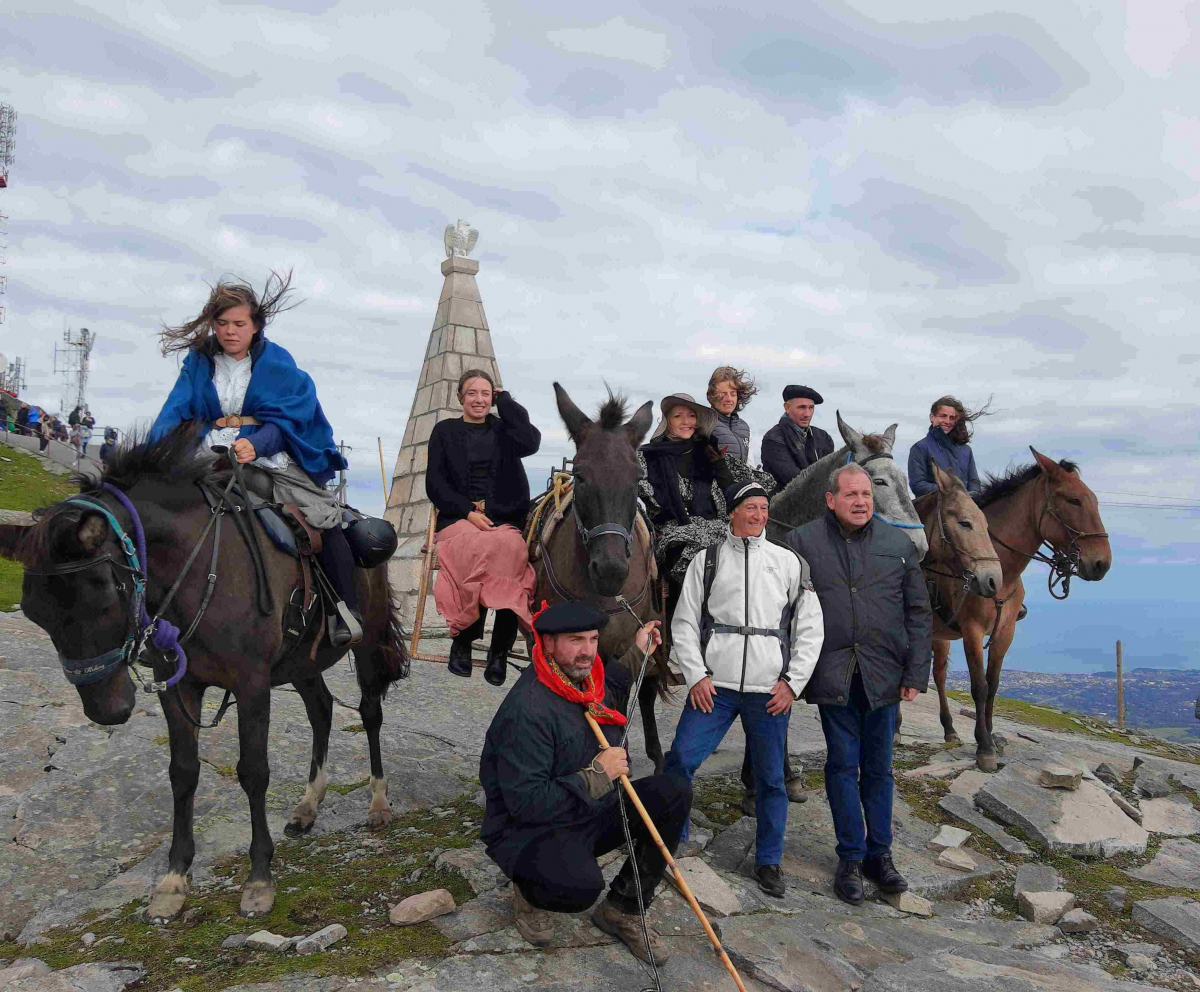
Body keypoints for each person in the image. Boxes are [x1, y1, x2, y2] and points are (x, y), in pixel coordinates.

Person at [148, 271, 361, 646]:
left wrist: (257, 444)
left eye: (239, 323)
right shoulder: (198, 363)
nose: (230, 331)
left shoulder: (279, 362)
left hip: (269, 452)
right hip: (208, 447)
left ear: (255, 325)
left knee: (322, 516)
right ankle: (151, 616)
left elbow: (293, 416)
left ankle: (343, 608)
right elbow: (176, 410)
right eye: (223, 323)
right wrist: (153, 454)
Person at [479, 601, 687, 963]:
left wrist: (639, 649)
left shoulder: (583, 679)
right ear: (546, 645)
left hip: (587, 809)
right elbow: (526, 803)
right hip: (531, 831)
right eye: (575, 640)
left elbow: (614, 683)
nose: (588, 651)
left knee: (673, 792)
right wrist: (598, 776)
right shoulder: (528, 710)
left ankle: (622, 909)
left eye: (592, 639)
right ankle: (528, 893)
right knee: (579, 887)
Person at [663, 481, 823, 898]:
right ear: (733, 512)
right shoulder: (707, 560)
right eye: (750, 507)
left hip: (769, 691)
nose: (758, 515)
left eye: (764, 508)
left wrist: (792, 684)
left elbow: (810, 628)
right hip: (714, 687)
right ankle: (673, 842)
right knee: (680, 760)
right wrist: (695, 674)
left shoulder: (788, 562)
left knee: (772, 779)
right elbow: (683, 622)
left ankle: (769, 861)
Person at [784, 464, 932, 906]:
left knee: (881, 770)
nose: (861, 501)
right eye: (851, 494)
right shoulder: (802, 542)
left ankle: (879, 856)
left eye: (866, 494)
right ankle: (849, 857)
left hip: (884, 676)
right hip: (833, 675)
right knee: (843, 766)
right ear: (830, 499)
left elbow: (919, 614)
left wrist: (915, 673)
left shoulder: (897, 543)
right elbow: (786, 611)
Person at [426, 368, 540, 686]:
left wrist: (505, 400)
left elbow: (531, 441)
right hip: (459, 517)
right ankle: (463, 642)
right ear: (460, 397)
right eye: (472, 393)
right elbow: (434, 483)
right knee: (475, 550)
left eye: (486, 393)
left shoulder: (505, 430)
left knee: (511, 555)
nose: (479, 399)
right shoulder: (444, 432)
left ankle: (498, 653)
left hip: (503, 519)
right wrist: (466, 512)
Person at [637, 393, 740, 622]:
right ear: (666, 421)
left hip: (716, 526)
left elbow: (733, 490)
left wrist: (719, 464)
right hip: (669, 530)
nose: (686, 421)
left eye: (691, 416)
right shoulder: (646, 457)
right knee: (701, 555)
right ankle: (688, 625)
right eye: (678, 416)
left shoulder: (707, 452)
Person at [907, 395, 985, 497]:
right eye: (943, 416)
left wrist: (972, 494)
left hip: (967, 507)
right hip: (935, 508)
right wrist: (952, 492)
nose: (947, 421)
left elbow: (974, 481)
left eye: (952, 418)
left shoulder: (966, 450)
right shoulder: (919, 448)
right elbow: (917, 485)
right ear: (932, 417)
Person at [760, 385, 835, 490]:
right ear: (787, 407)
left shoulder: (823, 437)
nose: (807, 414)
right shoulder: (773, 439)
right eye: (802, 407)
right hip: (784, 504)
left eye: (811, 408)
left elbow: (833, 475)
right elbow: (795, 480)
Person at [706, 366, 757, 465]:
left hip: (743, 480)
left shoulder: (744, 427)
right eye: (722, 394)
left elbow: (750, 466)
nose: (729, 399)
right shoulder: (705, 424)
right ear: (711, 396)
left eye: (733, 394)